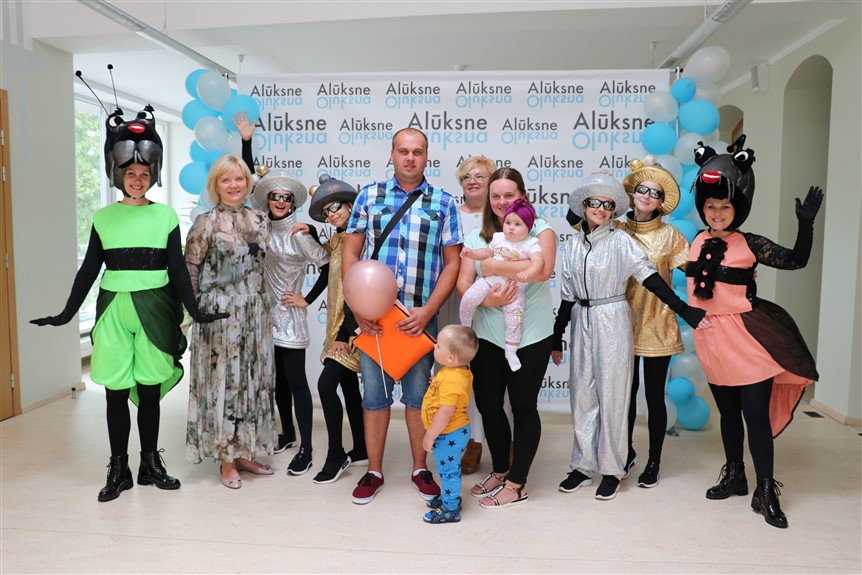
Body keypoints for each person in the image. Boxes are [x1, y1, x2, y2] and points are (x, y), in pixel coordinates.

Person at [31, 105, 226, 502]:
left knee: (149, 392)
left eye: (144, 174)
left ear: (153, 175)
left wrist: (195, 310)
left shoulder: (165, 217)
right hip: (114, 310)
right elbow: (89, 270)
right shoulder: (103, 218)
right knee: (116, 392)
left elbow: (177, 270)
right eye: (130, 173)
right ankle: (118, 469)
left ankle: (150, 464)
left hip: (156, 308)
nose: (137, 180)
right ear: (118, 174)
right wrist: (67, 313)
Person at [687, 137, 822, 529]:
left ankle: (766, 491)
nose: (717, 213)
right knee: (728, 414)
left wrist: (806, 224)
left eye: (725, 207)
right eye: (711, 206)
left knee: (755, 417)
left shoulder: (750, 243)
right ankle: (735, 475)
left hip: (746, 341)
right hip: (711, 340)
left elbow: (796, 260)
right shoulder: (696, 240)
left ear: (737, 208)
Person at [552, 172, 709, 501]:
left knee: (613, 396)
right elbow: (567, 293)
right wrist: (557, 335)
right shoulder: (572, 244)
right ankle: (583, 465)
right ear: (583, 205)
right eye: (593, 202)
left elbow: (650, 278)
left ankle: (613, 468)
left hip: (612, 317)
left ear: (614, 210)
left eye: (608, 204)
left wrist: (685, 309)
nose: (600, 208)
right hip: (582, 319)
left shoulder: (621, 240)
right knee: (582, 394)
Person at [343, 127, 462, 505]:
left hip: (418, 320)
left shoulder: (444, 202)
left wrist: (429, 310)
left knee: (418, 397)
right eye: (403, 151)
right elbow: (350, 253)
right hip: (375, 319)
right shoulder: (369, 196)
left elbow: (452, 263)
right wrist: (358, 307)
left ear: (427, 157)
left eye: (417, 152)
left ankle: (419, 468)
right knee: (374, 398)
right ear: (392, 154)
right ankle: (374, 471)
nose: (410, 158)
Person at [456, 167, 556, 509]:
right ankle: (500, 470)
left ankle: (517, 483)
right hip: (486, 334)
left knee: (524, 407)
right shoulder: (478, 236)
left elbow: (542, 271)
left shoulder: (541, 230)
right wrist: (486, 299)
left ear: (522, 196)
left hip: (531, 335)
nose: (501, 202)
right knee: (488, 404)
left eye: (508, 195)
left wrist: (493, 268)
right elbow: (463, 283)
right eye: (495, 195)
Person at [184, 155, 276, 490]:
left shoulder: (260, 219)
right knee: (225, 385)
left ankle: (245, 451)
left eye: (239, 179)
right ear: (216, 185)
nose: (234, 185)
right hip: (219, 315)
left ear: (247, 183)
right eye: (226, 180)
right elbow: (190, 270)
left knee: (253, 383)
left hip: (255, 312)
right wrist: (197, 314)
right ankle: (226, 458)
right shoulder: (205, 222)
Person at [249, 170, 330, 476]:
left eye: (286, 198)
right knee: (277, 381)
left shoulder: (298, 233)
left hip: (290, 318)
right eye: (275, 197)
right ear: (268, 200)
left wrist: (306, 299)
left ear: (293, 202)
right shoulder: (263, 227)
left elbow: (327, 264)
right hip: (265, 316)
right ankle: (287, 433)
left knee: (297, 383)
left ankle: (306, 449)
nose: (281, 202)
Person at [619, 156, 690, 488]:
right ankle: (626, 452)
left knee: (654, 397)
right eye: (642, 190)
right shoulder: (616, 229)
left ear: (662, 202)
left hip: (658, 323)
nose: (647, 196)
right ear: (632, 194)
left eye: (655, 193)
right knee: (626, 395)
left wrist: (734, 271)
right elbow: (578, 221)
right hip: (622, 322)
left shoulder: (671, 235)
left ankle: (654, 460)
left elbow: (696, 268)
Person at [294, 173, 368, 484]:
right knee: (348, 388)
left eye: (335, 207)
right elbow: (326, 270)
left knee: (326, 386)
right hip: (336, 324)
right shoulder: (338, 240)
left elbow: (362, 288)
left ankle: (336, 454)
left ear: (350, 205)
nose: (331, 214)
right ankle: (361, 448)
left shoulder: (363, 239)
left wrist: (344, 333)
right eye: (325, 212)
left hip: (353, 328)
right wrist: (312, 231)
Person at [438, 156, 496, 475]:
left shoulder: (502, 214)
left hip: (494, 305)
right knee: (460, 373)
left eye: (480, 176)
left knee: (493, 374)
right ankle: (471, 441)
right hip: (455, 303)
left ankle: (502, 438)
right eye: (466, 177)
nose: (472, 181)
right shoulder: (450, 212)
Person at [459, 199, 543, 371]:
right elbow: (486, 252)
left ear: (528, 226)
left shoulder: (531, 243)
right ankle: (465, 327)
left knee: (514, 321)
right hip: (489, 282)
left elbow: (538, 262)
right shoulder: (498, 238)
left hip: (514, 291)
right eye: (508, 223)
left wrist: (529, 273)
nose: (511, 228)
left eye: (517, 224)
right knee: (468, 297)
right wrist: (471, 253)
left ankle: (510, 351)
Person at [421, 325, 479, 524]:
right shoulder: (455, 371)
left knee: (448, 471)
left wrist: (429, 435)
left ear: (451, 357)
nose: (434, 347)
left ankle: (450, 509)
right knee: (447, 468)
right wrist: (438, 383)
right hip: (452, 431)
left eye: (438, 345)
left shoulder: (452, 380)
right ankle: (449, 497)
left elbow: (445, 412)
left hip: (449, 433)